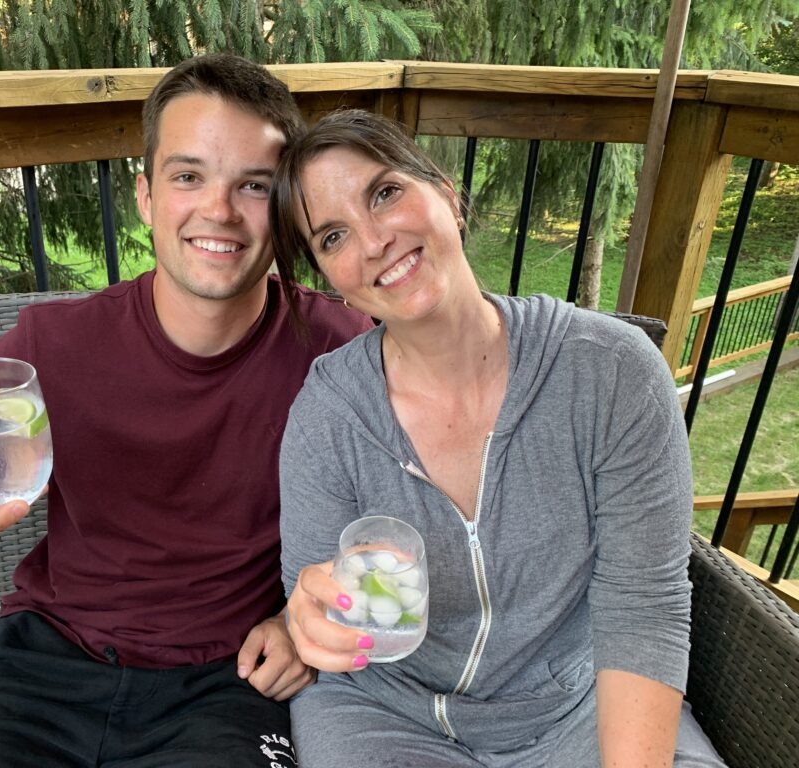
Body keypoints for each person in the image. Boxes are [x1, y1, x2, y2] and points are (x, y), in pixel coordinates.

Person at [0, 55, 371, 768]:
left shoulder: (340, 351)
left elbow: (416, 514)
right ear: (147, 195)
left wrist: (301, 620)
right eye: (189, 176)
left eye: (253, 184)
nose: (218, 210)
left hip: (228, 679)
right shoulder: (55, 346)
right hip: (42, 661)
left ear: (283, 204)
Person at [269, 109, 726, 768]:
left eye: (385, 193)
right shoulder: (328, 415)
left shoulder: (612, 371)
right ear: (330, 278)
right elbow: (312, 597)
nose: (373, 242)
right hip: (383, 712)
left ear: (447, 195)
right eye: (334, 236)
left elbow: (643, 608)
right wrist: (311, 619)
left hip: (580, 706)